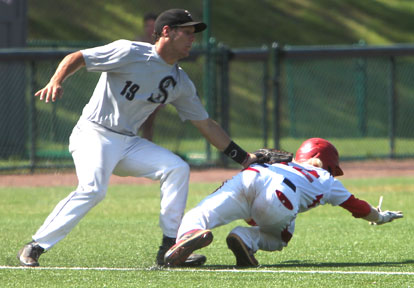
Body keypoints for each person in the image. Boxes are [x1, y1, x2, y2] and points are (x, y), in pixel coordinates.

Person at [17, 8, 257, 267]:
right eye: (187, 33)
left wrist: (244, 157)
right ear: (167, 32)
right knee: (94, 189)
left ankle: (169, 249)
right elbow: (79, 57)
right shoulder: (129, 52)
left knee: (176, 168)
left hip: (128, 143)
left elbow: (207, 125)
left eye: (193, 34)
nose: (192, 39)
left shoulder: (179, 81)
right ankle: (36, 245)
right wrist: (56, 80)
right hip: (94, 133)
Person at [163, 138, 404, 267]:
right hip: (280, 198)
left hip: (252, 176)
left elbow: (255, 162)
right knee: (280, 238)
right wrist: (380, 216)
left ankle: (189, 235)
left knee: (200, 213)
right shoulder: (325, 178)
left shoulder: (283, 162)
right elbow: (357, 207)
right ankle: (245, 238)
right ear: (323, 160)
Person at [136, 12, 161, 141]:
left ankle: (146, 151)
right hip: (136, 91)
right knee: (135, 124)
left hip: (155, 92)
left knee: (149, 124)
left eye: (153, 26)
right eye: (147, 26)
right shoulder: (137, 45)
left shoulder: (163, 48)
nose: (150, 29)